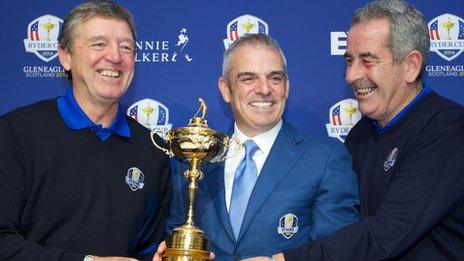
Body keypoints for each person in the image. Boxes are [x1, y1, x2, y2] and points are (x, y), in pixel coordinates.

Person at [251, 0, 464, 260]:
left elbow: (388, 231)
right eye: (350, 60)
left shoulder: (449, 130)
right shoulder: (361, 134)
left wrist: (285, 259)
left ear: (411, 65)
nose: (351, 75)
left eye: (367, 60)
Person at [154, 33, 359, 260]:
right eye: (248, 78)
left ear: (287, 86)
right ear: (225, 89)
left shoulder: (325, 159)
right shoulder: (194, 157)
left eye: (275, 78)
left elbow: (339, 251)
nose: (264, 89)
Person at [0, 1, 171, 261]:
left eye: (126, 47)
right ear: (65, 56)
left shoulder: (153, 150)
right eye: (98, 44)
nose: (115, 56)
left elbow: (147, 249)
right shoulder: (15, 133)